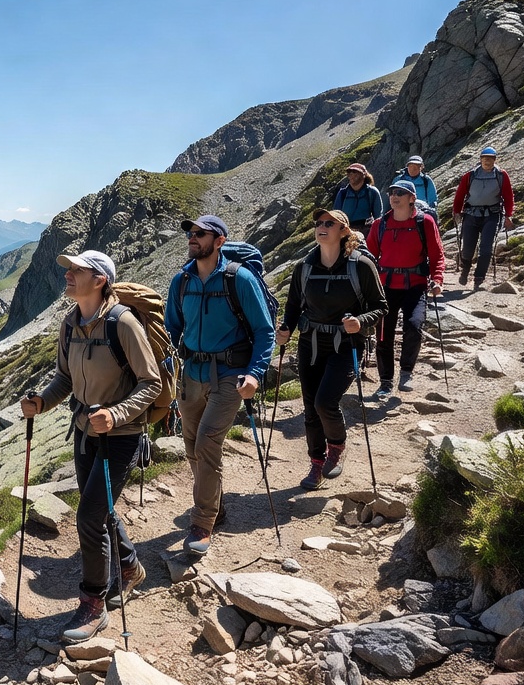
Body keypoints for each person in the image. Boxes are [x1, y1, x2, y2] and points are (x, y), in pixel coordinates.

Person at [20, 249, 161, 641]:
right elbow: (65, 377)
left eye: (76, 270)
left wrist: (116, 415)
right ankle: (129, 567)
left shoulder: (123, 323)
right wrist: (41, 403)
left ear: (99, 280)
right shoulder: (70, 323)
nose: (67, 275)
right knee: (99, 510)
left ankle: (93, 604)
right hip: (84, 432)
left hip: (120, 436)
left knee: (89, 516)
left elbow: (152, 384)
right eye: (68, 269)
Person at [161, 216, 275, 556]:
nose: (192, 239)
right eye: (190, 234)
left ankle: (202, 523)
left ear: (220, 240)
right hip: (192, 373)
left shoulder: (239, 279)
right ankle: (217, 504)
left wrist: (255, 373)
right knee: (193, 444)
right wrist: (164, 366)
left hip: (231, 374)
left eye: (200, 234)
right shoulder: (181, 281)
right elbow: (172, 328)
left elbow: (265, 331)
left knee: (208, 442)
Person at [276, 210, 387, 491]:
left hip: (346, 343)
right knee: (311, 408)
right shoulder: (304, 267)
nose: (321, 227)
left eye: (329, 224)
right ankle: (316, 463)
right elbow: (293, 305)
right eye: (318, 224)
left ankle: (336, 446)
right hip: (310, 343)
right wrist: (286, 328)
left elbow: (381, 307)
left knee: (325, 402)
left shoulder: (360, 265)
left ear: (344, 231)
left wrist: (359, 322)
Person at [368, 180, 446, 398]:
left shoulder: (425, 222)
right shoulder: (379, 225)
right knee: (383, 333)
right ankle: (385, 382)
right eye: (392, 192)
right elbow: (369, 257)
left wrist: (437, 280)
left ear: (412, 198)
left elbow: (437, 255)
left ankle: (406, 372)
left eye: (400, 193)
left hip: (416, 284)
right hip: (386, 286)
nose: (394, 196)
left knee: (414, 325)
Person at [452, 147, 515, 290]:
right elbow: (460, 194)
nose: (487, 160)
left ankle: (479, 277)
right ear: (480, 159)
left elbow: (508, 196)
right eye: (485, 158)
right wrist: (457, 212)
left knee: (486, 248)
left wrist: (508, 215)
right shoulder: (470, 175)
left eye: (490, 158)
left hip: (492, 215)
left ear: (495, 159)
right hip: (471, 215)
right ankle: (465, 269)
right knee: (467, 248)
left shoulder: (501, 175)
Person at [334, 163, 383, 233]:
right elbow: (336, 215)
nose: (351, 174)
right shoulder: (342, 193)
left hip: (366, 230)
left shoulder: (372, 192)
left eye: (354, 171)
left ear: (363, 175)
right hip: (347, 231)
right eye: (349, 172)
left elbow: (378, 216)